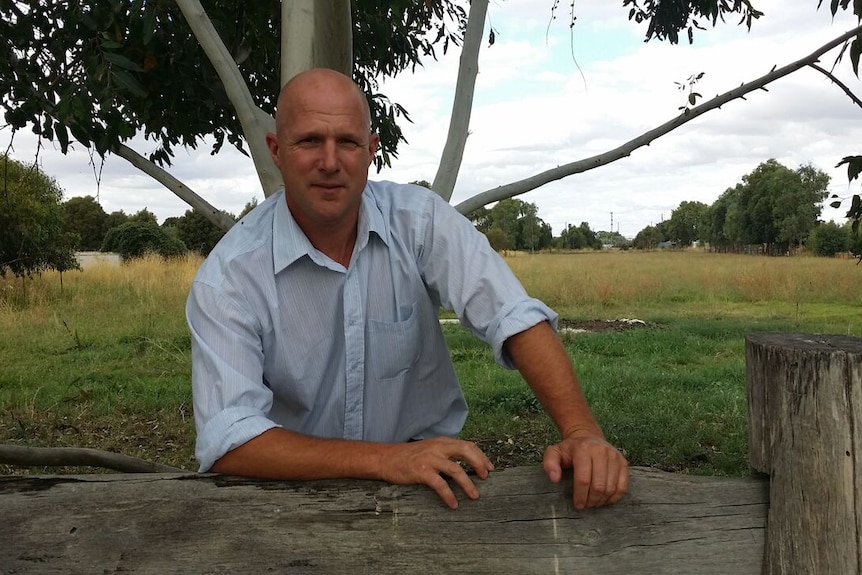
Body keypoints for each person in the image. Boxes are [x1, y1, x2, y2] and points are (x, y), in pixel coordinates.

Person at [187, 67, 628, 511]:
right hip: (291, 490)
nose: (329, 161)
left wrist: (581, 432)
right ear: (276, 150)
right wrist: (387, 460)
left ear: (371, 150)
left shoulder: (419, 222)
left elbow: (512, 315)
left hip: (425, 487)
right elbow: (229, 439)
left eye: (347, 141)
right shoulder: (229, 277)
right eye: (309, 141)